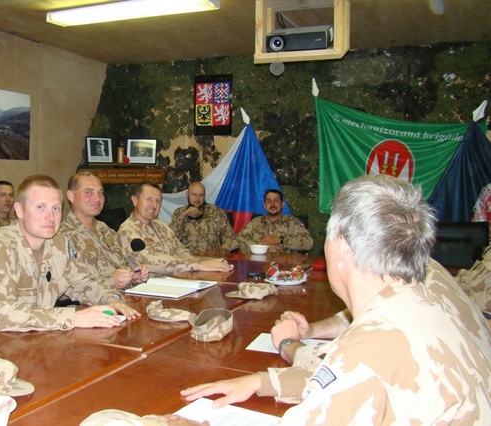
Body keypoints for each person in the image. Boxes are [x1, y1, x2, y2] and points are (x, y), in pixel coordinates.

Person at [180, 175, 491, 423]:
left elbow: (353, 370)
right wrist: (265, 382)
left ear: (340, 247)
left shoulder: (369, 351)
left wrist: (288, 345)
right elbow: (345, 373)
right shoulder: (433, 277)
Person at [0, 174, 140, 332]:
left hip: (34, 336)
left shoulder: (59, 243)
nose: (50, 217)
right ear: (19, 210)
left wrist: (111, 300)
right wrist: (72, 317)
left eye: (56, 208)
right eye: (40, 207)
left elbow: (84, 283)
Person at [58, 171, 149, 290]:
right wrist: (111, 281)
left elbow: (121, 266)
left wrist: (133, 276)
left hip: (124, 296)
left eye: (100, 193)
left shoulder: (105, 230)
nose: (97, 198)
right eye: (89, 192)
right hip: (94, 301)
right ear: (71, 196)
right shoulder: (62, 236)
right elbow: (65, 288)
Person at [117, 182, 233, 275]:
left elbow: (181, 251)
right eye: (149, 199)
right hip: (151, 287)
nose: (154, 205)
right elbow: (151, 261)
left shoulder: (161, 226)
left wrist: (205, 263)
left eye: (158, 201)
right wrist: (198, 265)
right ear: (135, 200)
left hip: (179, 279)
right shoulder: (127, 231)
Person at [170, 182, 238, 254]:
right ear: (187, 194)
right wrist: (183, 216)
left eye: (201, 195)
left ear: (205, 196)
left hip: (212, 257)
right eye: (194, 195)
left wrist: (225, 247)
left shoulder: (216, 212)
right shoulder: (179, 213)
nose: (197, 199)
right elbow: (170, 238)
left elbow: (229, 236)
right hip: (188, 257)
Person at [237, 189, 313, 254]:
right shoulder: (255, 222)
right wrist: (261, 247)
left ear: (282, 204)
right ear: (265, 206)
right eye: (268, 201)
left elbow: (309, 242)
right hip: (259, 263)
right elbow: (237, 240)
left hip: (286, 264)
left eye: (276, 200)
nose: (272, 204)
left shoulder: (293, 222)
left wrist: (281, 240)